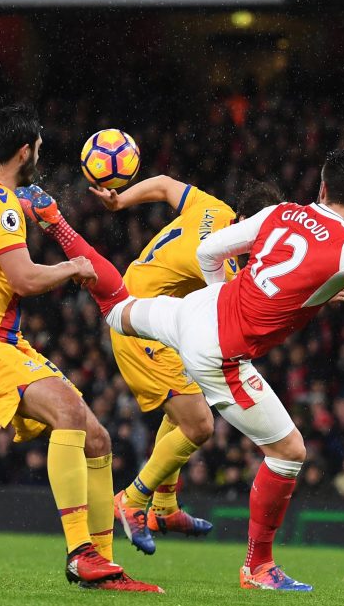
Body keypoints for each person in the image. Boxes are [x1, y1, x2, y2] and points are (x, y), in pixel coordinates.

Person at [17, 149, 344, 591]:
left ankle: (58, 224)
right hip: (219, 352)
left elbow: (208, 250)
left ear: (322, 185)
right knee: (288, 453)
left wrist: (223, 291)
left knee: (115, 306)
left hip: (190, 312)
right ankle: (257, 566)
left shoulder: (282, 213)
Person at [0, 104, 160, 593]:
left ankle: (103, 565)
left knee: (97, 437)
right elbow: (24, 277)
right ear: (25, 150)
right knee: (66, 411)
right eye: (37, 148)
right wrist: (72, 268)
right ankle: (81, 554)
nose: (39, 155)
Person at [19, 173, 282, 555]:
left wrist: (119, 201)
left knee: (181, 415)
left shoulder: (213, 208)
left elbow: (162, 184)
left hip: (152, 315)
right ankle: (131, 499)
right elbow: (240, 313)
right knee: (199, 424)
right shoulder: (221, 263)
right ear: (246, 224)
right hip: (139, 324)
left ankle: (164, 507)